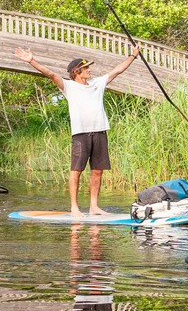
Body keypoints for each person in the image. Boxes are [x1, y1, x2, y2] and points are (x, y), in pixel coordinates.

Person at [15, 46, 141, 215]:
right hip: (80, 135)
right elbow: (50, 74)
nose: (89, 70)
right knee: (76, 171)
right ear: (76, 71)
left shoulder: (97, 83)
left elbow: (117, 71)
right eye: (86, 68)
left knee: (97, 171)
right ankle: (74, 207)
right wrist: (31, 61)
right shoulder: (68, 86)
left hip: (100, 132)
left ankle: (94, 207)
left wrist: (132, 56)